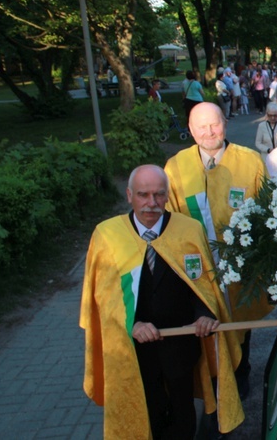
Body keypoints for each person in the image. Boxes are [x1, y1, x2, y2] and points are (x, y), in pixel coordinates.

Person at [80, 165, 243, 439]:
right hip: (134, 351)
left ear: (167, 196)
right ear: (129, 195)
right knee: (147, 414)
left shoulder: (188, 230)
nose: (151, 203)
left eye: (158, 195)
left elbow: (203, 286)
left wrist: (204, 314)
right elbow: (103, 299)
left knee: (182, 416)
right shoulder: (107, 236)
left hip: (180, 344)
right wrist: (131, 323)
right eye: (143, 195)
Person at [164, 102, 272, 399]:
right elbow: (168, 219)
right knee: (204, 325)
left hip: (238, 268)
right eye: (201, 127)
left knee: (238, 325)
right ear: (190, 130)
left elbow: (266, 214)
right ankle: (211, 382)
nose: (209, 132)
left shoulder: (250, 161)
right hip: (197, 270)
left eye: (215, 124)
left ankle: (242, 371)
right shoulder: (175, 168)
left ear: (225, 123)